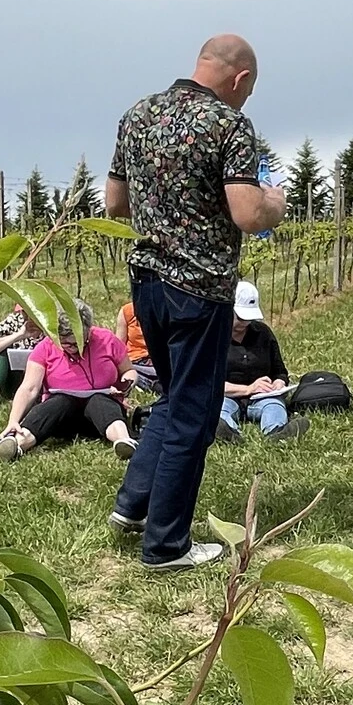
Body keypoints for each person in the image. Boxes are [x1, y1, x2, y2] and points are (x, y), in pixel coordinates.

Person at [106, 35, 286, 570]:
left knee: (174, 397)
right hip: (199, 291)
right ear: (241, 79)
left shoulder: (137, 115)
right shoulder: (228, 124)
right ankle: (166, 545)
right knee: (194, 413)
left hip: (147, 287)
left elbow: (115, 203)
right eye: (249, 91)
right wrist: (274, 202)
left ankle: (133, 505)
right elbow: (248, 215)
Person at [0, 299, 137, 461]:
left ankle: (123, 441)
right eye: (64, 343)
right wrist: (13, 420)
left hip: (100, 415)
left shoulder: (106, 340)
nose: (70, 348)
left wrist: (126, 383)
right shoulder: (45, 347)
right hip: (60, 418)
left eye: (75, 343)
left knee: (99, 401)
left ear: (87, 331)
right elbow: (29, 388)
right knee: (59, 402)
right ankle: (17, 444)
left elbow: (129, 371)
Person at [218, 281, 309, 443]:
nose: (245, 323)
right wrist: (248, 389)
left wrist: (279, 384)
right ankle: (228, 433)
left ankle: (277, 433)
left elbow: (280, 371)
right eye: (240, 318)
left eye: (249, 318)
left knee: (274, 405)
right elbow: (209, 382)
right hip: (227, 396)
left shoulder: (263, 334)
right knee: (218, 409)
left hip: (262, 397)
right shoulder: (213, 338)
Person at [0, 304, 42, 402]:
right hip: (14, 377)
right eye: (24, 312)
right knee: (0, 348)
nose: (28, 316)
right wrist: (19, 335)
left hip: (39, 377)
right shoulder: (14, 321)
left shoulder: (52, 326)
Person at [116, 301, 158, 394]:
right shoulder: (127, 311)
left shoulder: (163, 308)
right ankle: (153, 384)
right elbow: (118, 347)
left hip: (159, 360)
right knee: (127, 371)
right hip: (136, 362)